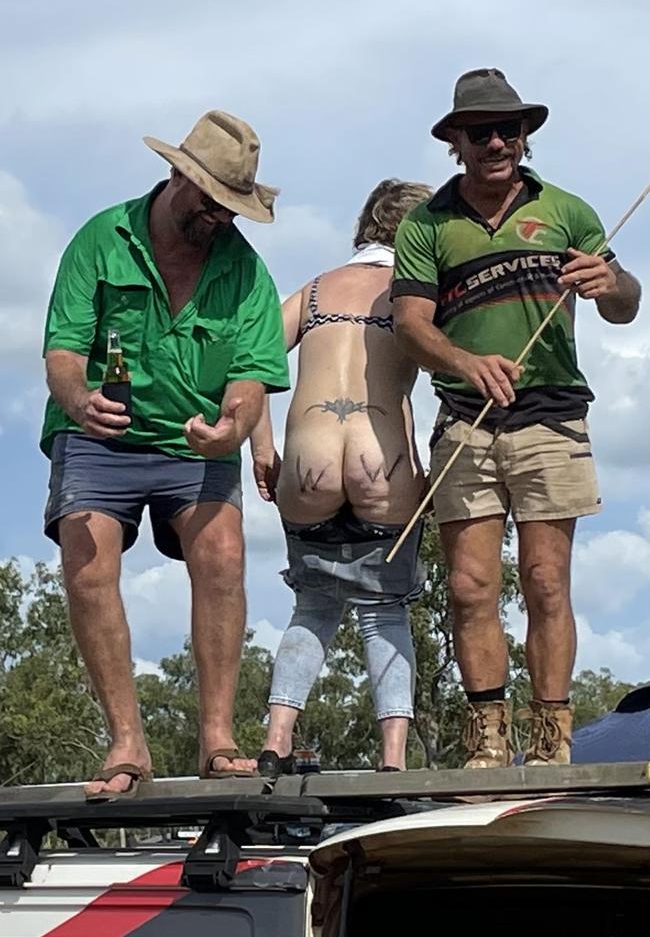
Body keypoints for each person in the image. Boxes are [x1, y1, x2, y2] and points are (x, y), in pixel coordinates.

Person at [391, 68, 642, 768]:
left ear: (526, 135)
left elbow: (625, 303)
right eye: (481, 132)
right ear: (456, 143)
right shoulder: (426, 224)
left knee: (544, 579)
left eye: (510, 129)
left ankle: (552, 743)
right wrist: (465, 362)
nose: (497, 141)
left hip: (552, 415)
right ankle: (486, 744)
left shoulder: (567, 210)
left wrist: (611, 283)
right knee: (471, 586)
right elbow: (409, 324)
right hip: (465, 421)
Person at [40, 110, 289, 796]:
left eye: (232, 207)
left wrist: (233, 430)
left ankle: (217, 737)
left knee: (225, 555)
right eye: (210, 202)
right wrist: (79, 399)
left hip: (195, 442)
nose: (219, 218)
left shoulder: (245, 271)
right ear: (178, 175)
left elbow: (251, 377)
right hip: (99, 435)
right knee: (86, 557)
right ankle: (126, 743)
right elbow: (62, 350)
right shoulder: (102, 237)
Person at [250, 179, 433, 775]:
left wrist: (262, 447)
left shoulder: (316, 290)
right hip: (386, 463)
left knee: (313, 609)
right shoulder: (418, 294)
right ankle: (393, 760)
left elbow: (250, 362)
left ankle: (277, 741)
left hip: (307, 464)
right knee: (384, 613)